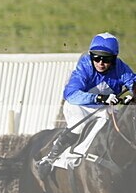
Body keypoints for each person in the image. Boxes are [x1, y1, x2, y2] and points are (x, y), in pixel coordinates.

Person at [36, 32, 135, 177]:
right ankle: (50, 159)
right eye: (96, 57)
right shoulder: (85, 66)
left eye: (106, 59)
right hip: (78, 105)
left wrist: (131, 98)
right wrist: (100, 98)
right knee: (80, 126)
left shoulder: (120, 68)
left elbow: (134, 83)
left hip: (103, 108)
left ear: (114, 60)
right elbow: (71, 94)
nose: (100, 63)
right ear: (91, 56)